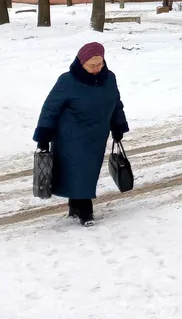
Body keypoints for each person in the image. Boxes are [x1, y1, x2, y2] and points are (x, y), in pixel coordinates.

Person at [33, 41, 129, 226]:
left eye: (99, 64)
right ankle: (85, 211)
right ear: (81, 62)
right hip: (71, 135)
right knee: (79, 170)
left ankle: (75, 206)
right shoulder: (67, 81)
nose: (96, 69)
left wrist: (118, 126)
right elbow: (50, 109)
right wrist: (44, 136)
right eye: (91, 65)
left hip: (97, 135)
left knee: (86, 171)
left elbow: (116, 103)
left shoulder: (109, 79)